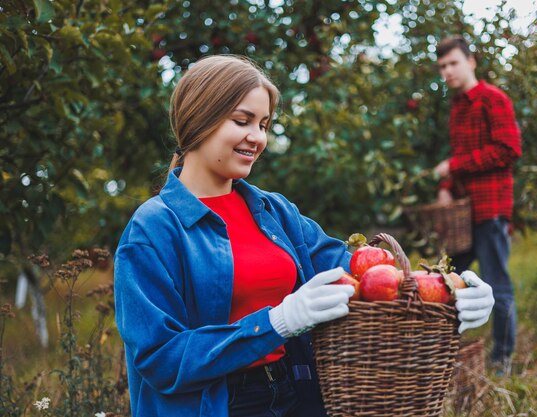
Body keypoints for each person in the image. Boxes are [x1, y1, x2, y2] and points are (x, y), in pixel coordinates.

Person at [114, 54, 495, 417]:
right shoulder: (155, 229)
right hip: (218, 403)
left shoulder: (273, 212)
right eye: (242, 120)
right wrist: (275, 323)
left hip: (298, 391)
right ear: (200, 119)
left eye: (263, 125)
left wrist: (448, 291)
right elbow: (160, 358)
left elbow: (361, 275)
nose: (257, 138)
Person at [433, 36, 522, 376]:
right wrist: (445, 186)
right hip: (463, 214)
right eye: (442, 66)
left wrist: (454, 168)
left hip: (491, 209)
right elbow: (456, 158)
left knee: (496, 283)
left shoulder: (492, 100)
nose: (447, 71)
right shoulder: (457, 107)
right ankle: (442, 354)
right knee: (445, 280)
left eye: (453, 63)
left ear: (471, 61)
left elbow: (507, 150)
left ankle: (502, 362)